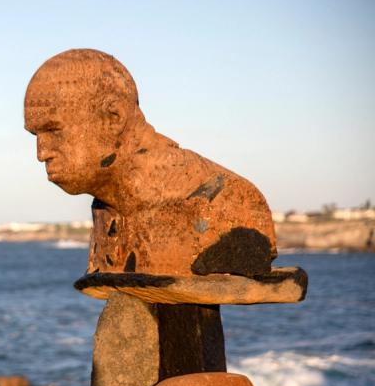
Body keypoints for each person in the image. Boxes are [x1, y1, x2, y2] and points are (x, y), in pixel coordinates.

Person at [24, 48, 277, 277]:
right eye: (36, 136)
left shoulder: (226, 200)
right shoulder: (105, 209)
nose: (41, 153)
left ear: (114, 117)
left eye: (54, 131)